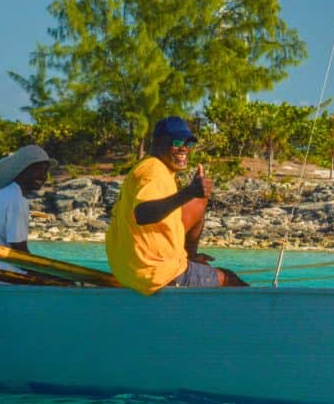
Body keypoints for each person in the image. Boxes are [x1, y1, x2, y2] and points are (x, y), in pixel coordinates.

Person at [106, 116, 247, 294]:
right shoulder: (153, 171)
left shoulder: (154, 168)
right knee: (229, 279)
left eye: (189, 144)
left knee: (198, 202)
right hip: (155, 274)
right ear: (158, 143)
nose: (184, 149)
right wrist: (189, 192)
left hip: (127, 270)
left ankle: (190, 259)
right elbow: (142, 214)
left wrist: (193, 195)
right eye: (177, 142)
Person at [0, 144, 52, 282]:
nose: (44, 176)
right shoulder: (17, 200)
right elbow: (19, 251)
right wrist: (46, 273)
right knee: (64, 282)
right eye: (38, 169)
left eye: (46, 170)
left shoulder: (7, 194)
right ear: (22, 171)